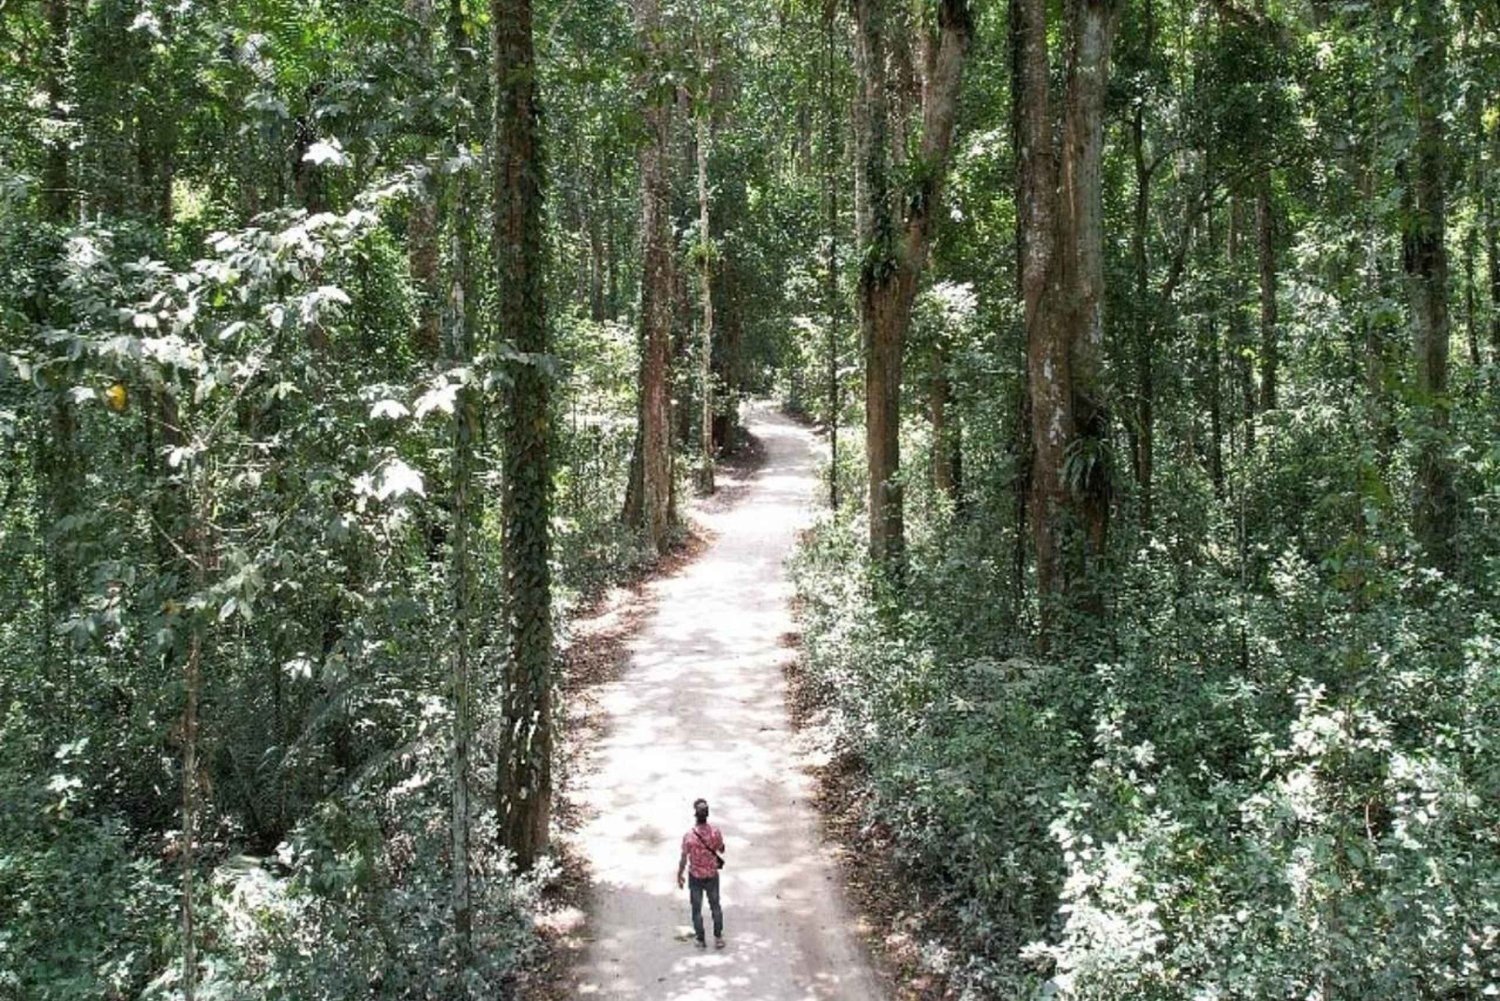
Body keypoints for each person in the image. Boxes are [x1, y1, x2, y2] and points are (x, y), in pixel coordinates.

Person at [676, 797, 725, 949]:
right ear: (707, 814)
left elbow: (684, 857)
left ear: (695, 815)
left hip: (695, 877)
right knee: (715, 906)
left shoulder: (689, 836)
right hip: (711, 875)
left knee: (696, 909)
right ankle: (718, 938)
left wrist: (680, 874)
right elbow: (721, 849)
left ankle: (701, 939)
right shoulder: (715, 832)